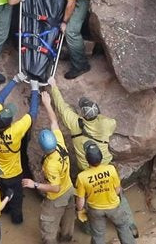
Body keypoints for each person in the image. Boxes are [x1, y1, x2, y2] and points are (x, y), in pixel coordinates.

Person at [47, 77, 138, 238]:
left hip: (86, 171)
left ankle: (89, 228)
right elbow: (112, 122)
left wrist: (53, 86)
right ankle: (129, 225)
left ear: (82, 114)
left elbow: (61, 107)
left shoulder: (75, 123)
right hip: (106, 166)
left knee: (88, 198)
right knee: (118, 195)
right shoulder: (106, 124)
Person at [22, 90, 76, 244]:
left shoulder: (52, 164)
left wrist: (35, 184)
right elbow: (54, 122)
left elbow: (55, 188)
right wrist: (47, 104)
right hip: (70, 190)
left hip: (57, 197)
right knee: (68, 223)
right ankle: (66, 240)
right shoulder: (59, 144)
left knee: (47, 227)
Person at [0, 77, 40, 224]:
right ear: (10, 122)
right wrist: (35, 89)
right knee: (17, 200)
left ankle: (4, 210)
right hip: (13, 175)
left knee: (1, 194)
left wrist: (14, 80)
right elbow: (33, 113)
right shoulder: (15, 131)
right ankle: (17, 221)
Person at [75, 141, 136, 244]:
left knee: (98, 235)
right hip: (114, 207)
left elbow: (80, 199)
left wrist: (79, 211)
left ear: (87, 159)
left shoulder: (82, 177)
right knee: (123, 227)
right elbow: (117, 190)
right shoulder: (111, 169)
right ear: (101, 157)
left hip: (96, 210)